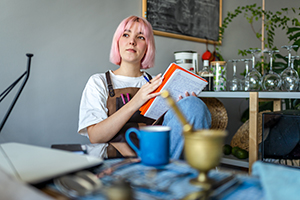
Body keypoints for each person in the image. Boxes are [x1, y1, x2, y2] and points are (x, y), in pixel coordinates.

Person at [78, 15, 211, 159]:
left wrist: (187, 107)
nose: (132, 41)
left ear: (148, 46)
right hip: (117, 162)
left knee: (193, 105)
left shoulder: (159, 82)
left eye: (140, 37)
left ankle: (162, 169)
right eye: (126, 35)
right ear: (118, 42)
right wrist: (136, 101)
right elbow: (95, 137)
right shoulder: (99, 82)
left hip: (161, 154)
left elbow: (175, 129)